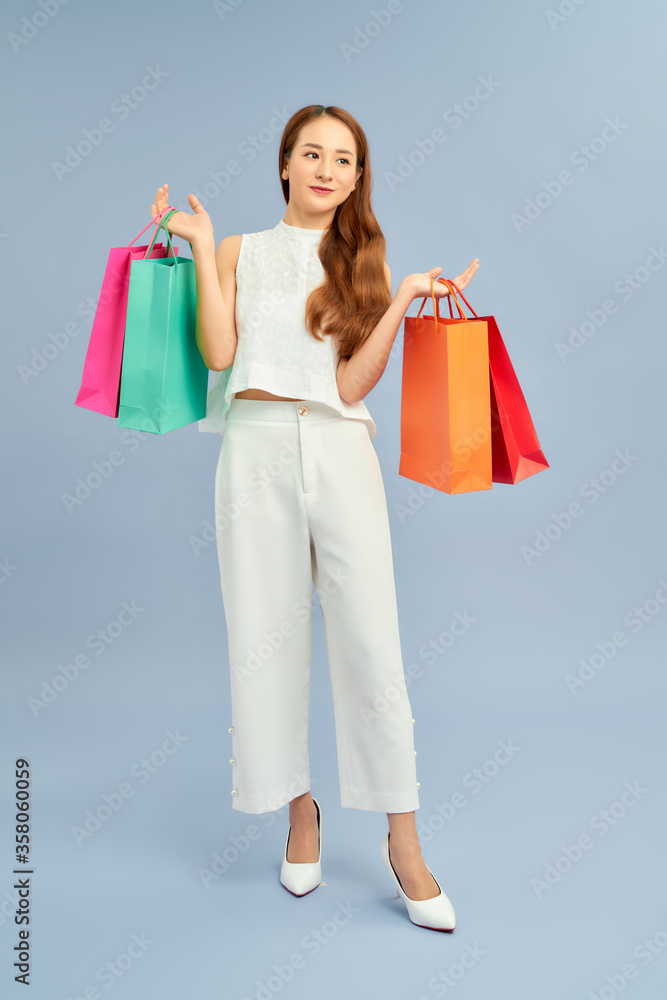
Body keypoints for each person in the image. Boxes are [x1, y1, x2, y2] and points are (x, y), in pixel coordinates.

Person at [150, 104, 479, 931]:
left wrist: (402, 297)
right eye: (311, 153)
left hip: (337, 449)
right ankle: (302, 814)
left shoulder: (363, 262)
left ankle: (403, 844)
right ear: (285, 165)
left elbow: (350, 387)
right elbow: (221, 357)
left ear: (356, 178)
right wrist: (196, 245)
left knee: (371, 639)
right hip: (253, 448)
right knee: (263, 634)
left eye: (344, 158)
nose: (327, 168)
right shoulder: (240, 251)